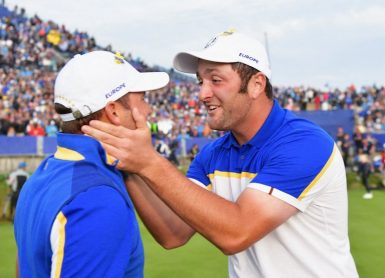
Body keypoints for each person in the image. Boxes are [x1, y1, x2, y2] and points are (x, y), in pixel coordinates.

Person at [82, 30, 358, 277]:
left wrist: (150, 162)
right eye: (201, 81)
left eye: (216, 80)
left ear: (256, 85)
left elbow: (237, 232)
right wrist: (131, 165)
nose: (203, 93)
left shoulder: (304, 143)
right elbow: (173, 233)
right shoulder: (213, 154)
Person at [14, 50, 169, 277]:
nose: (148, 110)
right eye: (143, 99)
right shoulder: (96, 198)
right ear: (113, 111)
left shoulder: (42, 173)